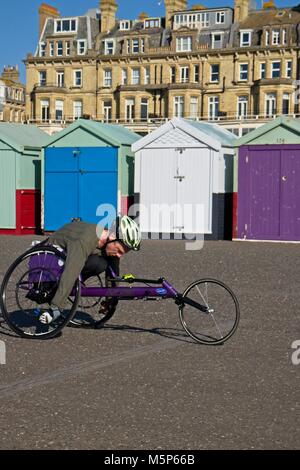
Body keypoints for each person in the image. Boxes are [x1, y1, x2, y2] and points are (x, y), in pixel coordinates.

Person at [39, 216, 141, 325]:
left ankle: (72, 285)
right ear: (112, 237)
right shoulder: (85, 239)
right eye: (119, 251)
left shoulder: (109, 243)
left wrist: (110, 300)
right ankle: (59, 294)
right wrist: (56, 308)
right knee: (94, 264)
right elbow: (71, 270)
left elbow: (113, 275)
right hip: (50, 260)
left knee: (102, 263)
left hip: (74, 256)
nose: (119, 255)